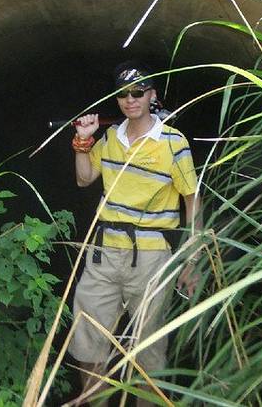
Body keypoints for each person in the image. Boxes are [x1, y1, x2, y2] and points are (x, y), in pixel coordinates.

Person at [69, 62, 202, 406]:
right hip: (103, 254)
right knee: (88, 341)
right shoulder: (111, 137)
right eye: (123, 94)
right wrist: (83, 141)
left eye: (138, 92)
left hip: (151, 257)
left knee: (149, 350)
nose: (130, 99)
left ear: (151, 95)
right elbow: (84, 179)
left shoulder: (173, 142)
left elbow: (192, 199)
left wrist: (192, 258)